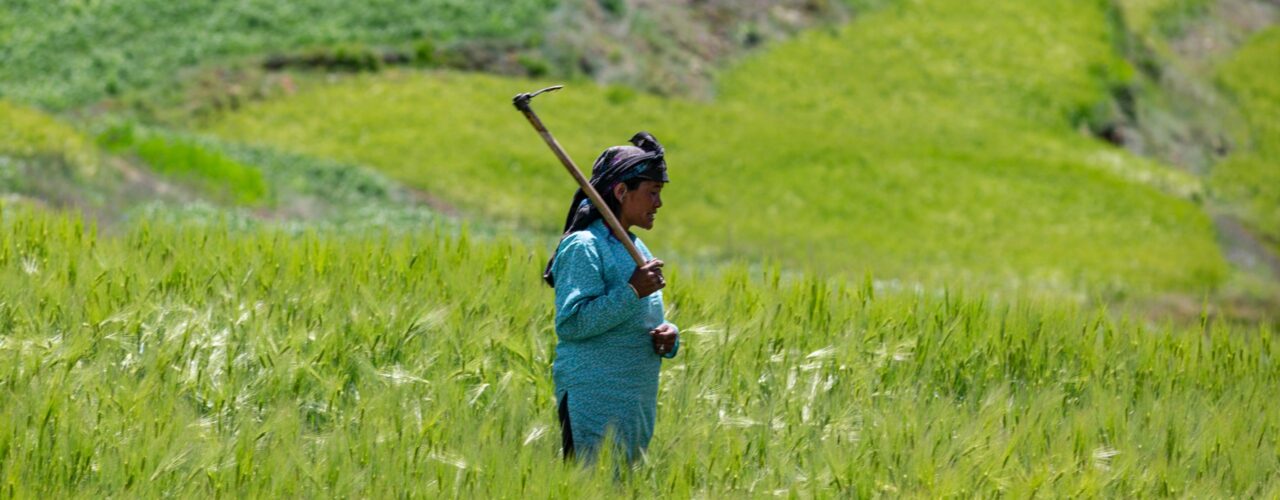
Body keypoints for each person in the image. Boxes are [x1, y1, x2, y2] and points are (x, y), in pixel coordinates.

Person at [543, 131, 680, 463]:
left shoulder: (636, 247)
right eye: (652, 193)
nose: (658, 203)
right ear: (621, 191)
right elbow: (573, 323)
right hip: (594, 402)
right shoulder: (584, 246)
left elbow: (637, 317)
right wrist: (632, 291)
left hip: (633, 404)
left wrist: (668, 335)